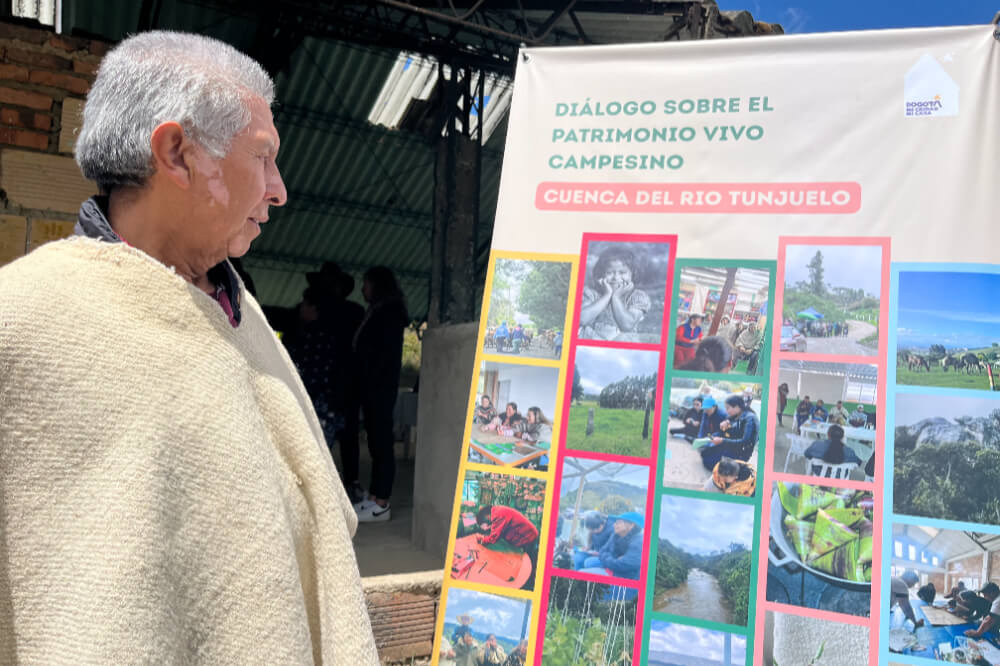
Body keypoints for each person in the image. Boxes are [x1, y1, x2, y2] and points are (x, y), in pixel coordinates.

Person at [0, 31, 378, 663]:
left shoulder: (240, 311)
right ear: (176, 153)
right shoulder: (24, 319)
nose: (279, 189)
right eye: (262, 158)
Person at [351, 266, 409, 523]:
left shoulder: (390, 312)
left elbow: (382, 354)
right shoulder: (377, 310)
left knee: (382, 443)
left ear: (377, 284)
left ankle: (382, 501)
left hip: (380, 388)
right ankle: (374, 497)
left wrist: (371, 378)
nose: (363, 288)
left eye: (366, 283)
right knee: (375, 442)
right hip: (372, 387)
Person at [579, 246, 652, 341]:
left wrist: (616, 297)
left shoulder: (637, 296)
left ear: (632, 273)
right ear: (601, 273)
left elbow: (627, 326)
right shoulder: (591, 293)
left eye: (622, 272)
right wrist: (607, 295)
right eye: (610, 272)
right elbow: (582, 319)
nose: (616, 278)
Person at [477, 505, 540, 589]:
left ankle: (529, 586)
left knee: (526, 567)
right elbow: (496, 528)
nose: (485, 526)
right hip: (527, 534)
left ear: (486, 516)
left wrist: (482, 541)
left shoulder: (499, 515)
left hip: (529, 537)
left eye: (483, 524)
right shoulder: (497, 511)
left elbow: (493, 538)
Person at [700, 394, 760, 470]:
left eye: (728, 408)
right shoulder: (735, 416)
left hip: (741, 453)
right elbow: (724, 432)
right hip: (731, 446)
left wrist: (722, 441)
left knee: (708, 462)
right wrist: (713, 436)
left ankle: (736, 468)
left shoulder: (750, 418)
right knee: (704, 453)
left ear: (737, 407)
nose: (726, 411)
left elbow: (745, 442)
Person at [593, 513, 644, 580]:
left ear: (631, 525)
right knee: (589, 562)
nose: (614, 525)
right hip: (612, 565)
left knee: (583, 571)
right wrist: (613, 559)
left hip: (625, 576)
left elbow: (623, 565)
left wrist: (608, 559)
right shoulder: (615, 535)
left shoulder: (639, 542)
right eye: (615, 522)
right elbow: (602, 551)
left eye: (618, 523)